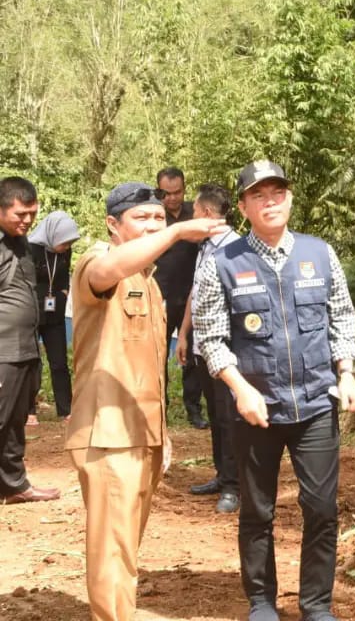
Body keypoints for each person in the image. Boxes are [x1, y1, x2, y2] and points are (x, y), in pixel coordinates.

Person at [193, 160, 355, 621]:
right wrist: (239, 388)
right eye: (259, 195)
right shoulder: (221, 262)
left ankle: (315, 605)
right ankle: (263, 602)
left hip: (315, 405)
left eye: (278, 193)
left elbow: (341, 318)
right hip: (254, 409)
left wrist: (346, 372)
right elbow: (209, 336)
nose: (271, 201)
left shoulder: (319, 253)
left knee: (322, 509)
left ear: (289, 198)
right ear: (244, 205)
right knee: (257, 512)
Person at [66, 181, 225, 621]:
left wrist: (163, 432)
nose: (153, 226)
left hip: (143, 432)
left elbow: (150, 368)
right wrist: (174, 233)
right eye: (142, 219)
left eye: (160, 218)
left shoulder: (149, 283)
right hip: (107, 431)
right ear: (113, 225)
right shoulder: (96, 264)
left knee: (125, 544)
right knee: (111, 546)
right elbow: (106, 272)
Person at [176, 184, 242, 513]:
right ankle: (222, 474)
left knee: (229, 418)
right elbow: (195, 291)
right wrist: (185, 333)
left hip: (225, 349)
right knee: (216, 416)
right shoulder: (205, 248)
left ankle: (234, 486)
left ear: (204, 213)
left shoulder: (235, 250)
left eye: (193, 212)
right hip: (202, 346)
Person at [0, 176, 59, 504]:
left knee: (15, 421)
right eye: (19, 214)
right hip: (3, 350)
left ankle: (13, 485)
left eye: (32, 214)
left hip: (25, 348)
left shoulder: (22, 244)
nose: (27, 221)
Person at [154, 167, 207, 428]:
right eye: (166, 193)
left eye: (177, 192)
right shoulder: (152, 217)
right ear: (158, 191)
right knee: (157, 354)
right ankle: (158, 408)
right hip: (159, 297)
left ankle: (194, 410)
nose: (172, 198)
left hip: (192, 297)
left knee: (194, 356)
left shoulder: (194, 213)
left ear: (184, 189)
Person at [28, 210, 81, 423]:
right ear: (52, 235)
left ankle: (65, 409)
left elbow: (63, 276)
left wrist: (64, 292)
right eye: (63, 242)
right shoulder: (30, 249)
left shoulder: (64, 252)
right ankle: (28, 410)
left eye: (69, 243)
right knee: (32, 362)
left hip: (55, 313)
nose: (66, 246)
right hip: (31, 312)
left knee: (59, 362)